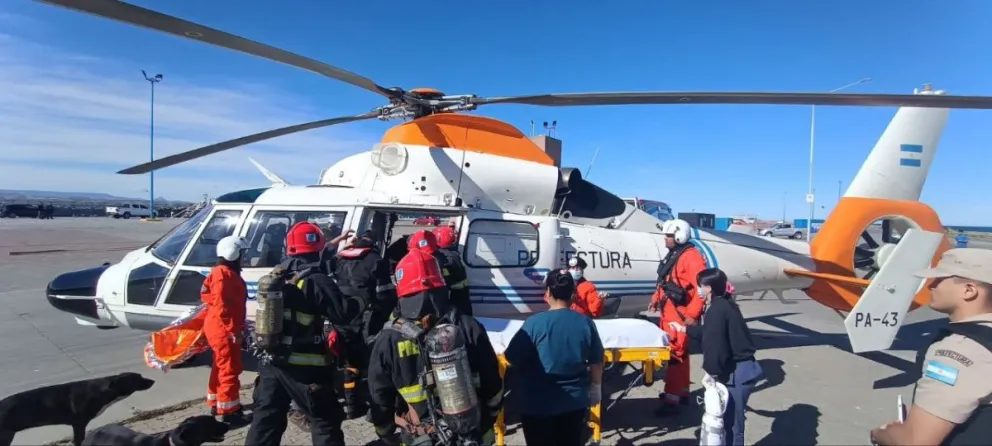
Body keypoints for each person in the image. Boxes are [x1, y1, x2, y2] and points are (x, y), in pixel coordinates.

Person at [367, 242, 503, 446]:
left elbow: (379, 395)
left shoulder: (388, 338)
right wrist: (490, 415)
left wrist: (385, 432)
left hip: (422, 436)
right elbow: (492, 380)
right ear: (441, 284)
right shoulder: (468, 326)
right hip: (475, 434)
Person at [245, 222, 360, 446]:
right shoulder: (318, 281)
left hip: (271, 363)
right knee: (325, 420)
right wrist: (358, 297)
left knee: (266, 420)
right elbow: (344, 314)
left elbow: (312, 256)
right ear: (317, 248)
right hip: (306, 368)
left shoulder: (278, 275)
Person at [870, 248, 992, 446]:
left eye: (939, 280)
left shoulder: (960, 350)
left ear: (968, 290)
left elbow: (915, 441)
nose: (931, 286)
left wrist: (881, 434)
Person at [504, 268, 604, 446]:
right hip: (573, 404)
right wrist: (596, 387)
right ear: (572, 293)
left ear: (548, 292)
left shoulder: (534, 323)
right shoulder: (585, 323)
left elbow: (512, 357)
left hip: (537, 405)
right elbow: (596, 360)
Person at [648, 218, 708, 414]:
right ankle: (681, 393)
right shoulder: (675, 255)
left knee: (675, 355)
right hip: (670, 312)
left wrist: (692, 315)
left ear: (679, 236)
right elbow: (665, 281)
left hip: (681, 315)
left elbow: (701, 290)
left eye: (668, 236)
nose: (665, 239)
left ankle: (671, 400)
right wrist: (655, 298)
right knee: (680, 356)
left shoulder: (692, 258)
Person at [697, 268, 763, 446]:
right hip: (744, 369)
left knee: (731, 423)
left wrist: (712, 372)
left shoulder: (716, 310)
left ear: (709, 288)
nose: (698, 290)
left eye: (700, 286)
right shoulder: (726, 305)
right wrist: (685, 330)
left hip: (737, 372)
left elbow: (716, 346)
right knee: (730, 421)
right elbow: (713, 333)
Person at [200, 235, 251, 424]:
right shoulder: (224, 275)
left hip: (217, 326)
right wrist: (233, 331)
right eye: (242, 254)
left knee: (220, 367)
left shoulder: (218, 272)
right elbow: (223, 306)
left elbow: (207, 296)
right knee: (229, 369)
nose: (243, 258)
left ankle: (216, 403)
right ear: (233, 254)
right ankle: (231, 413)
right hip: (223, 330)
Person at [432, 225, 473, 316]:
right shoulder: (454, 254)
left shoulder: (443, 258)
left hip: (455, 300)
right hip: (462, 299)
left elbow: (445, 280)